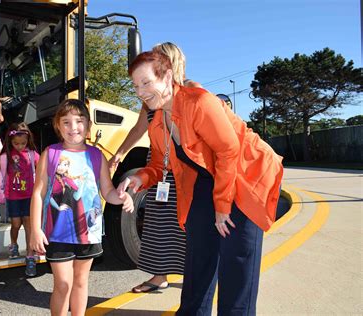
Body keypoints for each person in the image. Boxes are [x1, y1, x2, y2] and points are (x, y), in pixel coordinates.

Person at [117, 51, 283, 315]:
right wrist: (139, 178)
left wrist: (222, 206)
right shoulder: (158, 122)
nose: (140, 92)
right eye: (136, 86)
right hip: (207, 181)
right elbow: (159, 165)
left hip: (244, 174)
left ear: (168, 76)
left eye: (146, 83)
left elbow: (228, 152)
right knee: (199, 258)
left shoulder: (199, 102)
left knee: (236, 261)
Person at [108, 42, 201, 293]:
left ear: (170, 63)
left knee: (190, 224)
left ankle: (197, 275)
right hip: (160, 166)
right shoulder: (149, 98)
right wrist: (119, 153)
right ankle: (160, 276)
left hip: (188, 170)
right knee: (158, 222)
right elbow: (139, 129)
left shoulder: (190, 90)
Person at [30, 99, 134, 316]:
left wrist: (124, 197)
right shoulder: (50, 153)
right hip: (57, 232)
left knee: (80, 282)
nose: (73, 127)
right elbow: (39, 193)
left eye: (79, 121)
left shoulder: (96, 156)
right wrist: (35, 230)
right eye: (66, 122)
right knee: (63, 284)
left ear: (88, 127)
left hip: (88, 231)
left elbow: (108, 192)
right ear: (58, 126)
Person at [0, 122, 40, 277]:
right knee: (15, 224)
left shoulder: (32, 154)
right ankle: (13, 244)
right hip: (13, 196)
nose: (20, 146)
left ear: (28, 140)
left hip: (29, 196)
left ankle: (30, 256)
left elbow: (41, 170)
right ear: (10, 141)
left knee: (28, 224)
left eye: (23, 143)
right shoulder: (6, 155)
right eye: (16, 143)